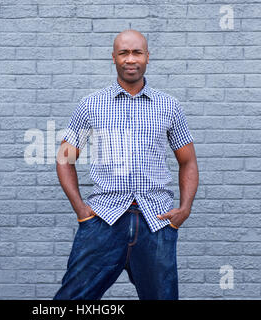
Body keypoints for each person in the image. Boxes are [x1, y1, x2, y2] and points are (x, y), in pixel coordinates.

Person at [53, 29, 199, 300]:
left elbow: (188, 161)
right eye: (124, 53)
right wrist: (81, 211)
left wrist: (184, 210)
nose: (130, 59)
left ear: (147, 57)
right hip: (102, 221)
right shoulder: (91, 105)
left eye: (137, 52)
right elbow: (64, 159)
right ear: (114, 58)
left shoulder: (169, 106)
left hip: (156, 223)